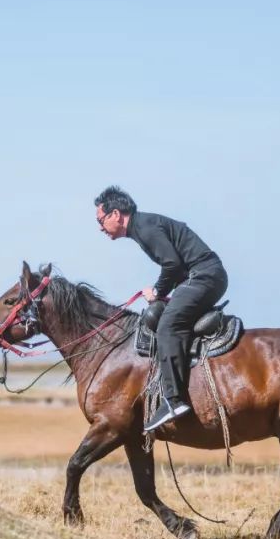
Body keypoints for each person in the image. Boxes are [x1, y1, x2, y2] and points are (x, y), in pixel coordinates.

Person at [94, 185, 229, 432]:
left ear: (116, 214)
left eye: (100, 220)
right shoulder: (142, 227)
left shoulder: (144, 227)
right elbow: (175, 265)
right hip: (201, 277)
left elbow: (172, 263)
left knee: (168, 325)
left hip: (204, 277)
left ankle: (174, 401)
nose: (100, 227)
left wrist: (157, 291)